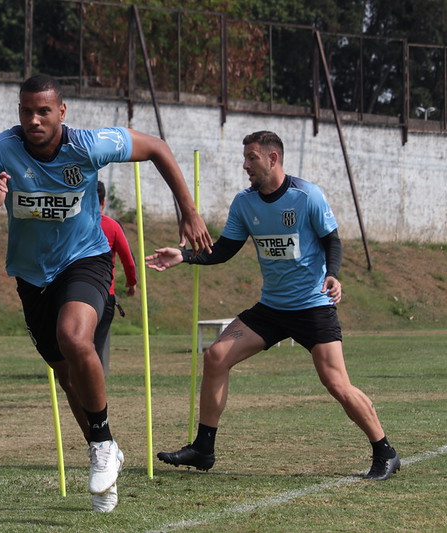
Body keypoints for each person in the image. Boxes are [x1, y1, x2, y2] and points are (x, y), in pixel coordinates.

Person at [0, 73, 213, 512]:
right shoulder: (1, 150)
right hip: (31, 277)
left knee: (74, 338)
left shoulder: (90, 145)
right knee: (66, 377)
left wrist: (188, 211)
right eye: (26, 111)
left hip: (86, 261)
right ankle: (104, 445)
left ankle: (102, 450)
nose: (34, 119)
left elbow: (157, 148)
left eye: (43, 111)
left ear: (61, 112)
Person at [146, 130, 400, 481]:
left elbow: (333, 242)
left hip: (312, 307)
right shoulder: (244, 203)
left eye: (251, 157)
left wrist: (334, 275)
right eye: (245, 157)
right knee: (216, 356)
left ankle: (385, 451)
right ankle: (204, 449)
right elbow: (223, 252)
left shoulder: (307, 196)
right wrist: (185, 256)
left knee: (336, 383)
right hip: (271, 308)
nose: (245, 165)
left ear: (272, 159)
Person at [95, 181, 138, 376]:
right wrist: (131, 284)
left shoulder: (70, 224)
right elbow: (128, 261)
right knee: (97, 345)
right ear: (103, 201)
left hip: (71, 293)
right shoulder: (112, 226)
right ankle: (95, 384)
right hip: (104, 296)